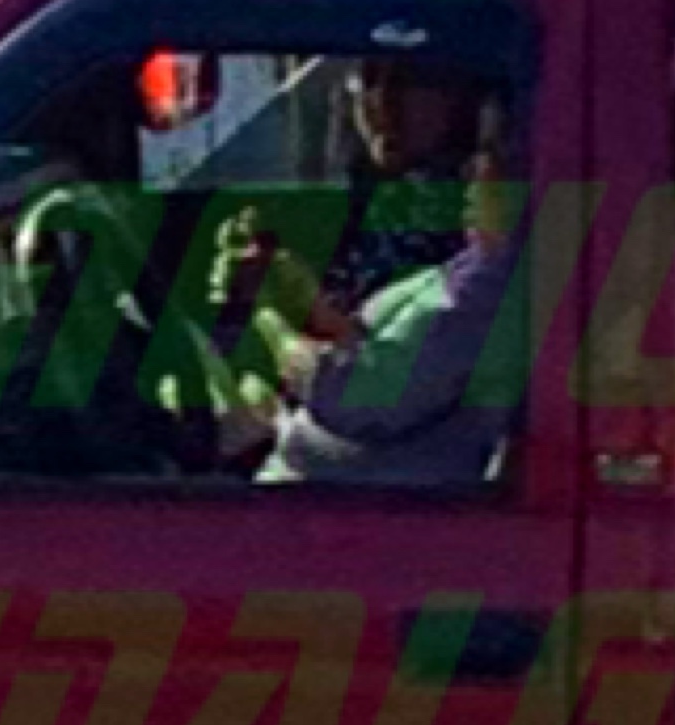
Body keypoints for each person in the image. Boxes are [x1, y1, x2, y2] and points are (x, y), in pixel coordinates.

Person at [212, 67, 524, 487]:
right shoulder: (468, 264)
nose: (383, 103)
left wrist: (272, 319)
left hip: (366, 501)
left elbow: (361, 395)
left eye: (411, 80)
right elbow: (383, 348)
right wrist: (301, 299)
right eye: (369, 81)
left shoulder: (488, 281)